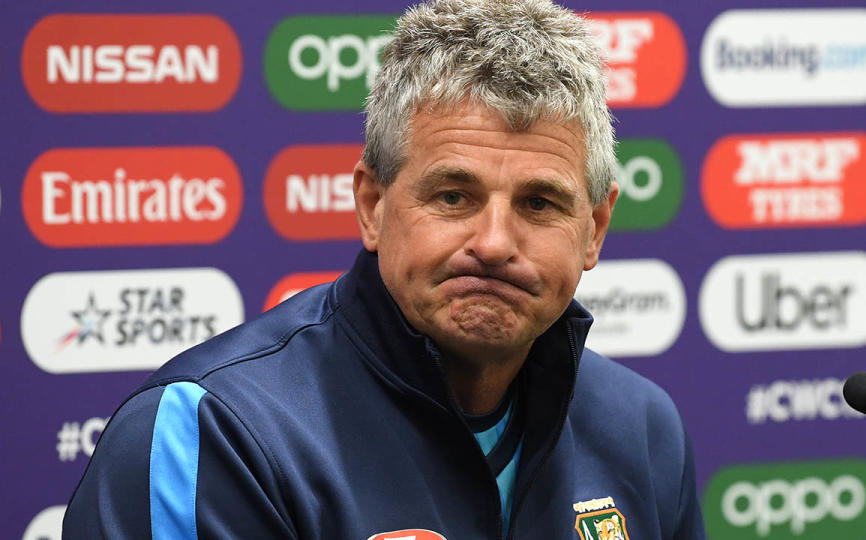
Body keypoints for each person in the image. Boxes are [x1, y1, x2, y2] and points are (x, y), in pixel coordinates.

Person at [63, 0, 704, 538]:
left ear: (594, 229)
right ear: (372, 205)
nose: (495, 243)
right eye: (454, 196)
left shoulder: (643, 429)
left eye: (540, 203)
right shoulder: (214, 434)